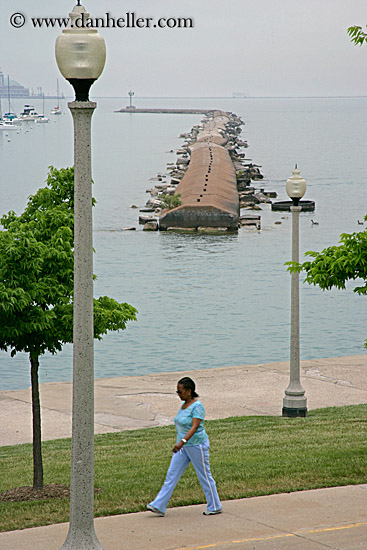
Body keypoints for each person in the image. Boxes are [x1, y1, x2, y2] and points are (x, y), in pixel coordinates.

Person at [147, 376, 222, 517]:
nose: (178, 394)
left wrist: (182, 442)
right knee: (171, 475)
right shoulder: (184, 405)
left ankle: (215, 506)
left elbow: (194, 427)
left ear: (189, 391)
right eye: (177, 391)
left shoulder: (197, 406)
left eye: (180, 392)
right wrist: (181, 444)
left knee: (204, 476)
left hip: (196, 445)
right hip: (183, 448)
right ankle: (158, 505)